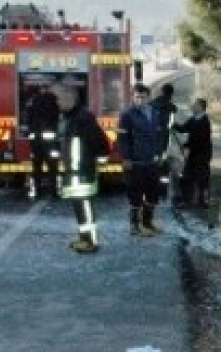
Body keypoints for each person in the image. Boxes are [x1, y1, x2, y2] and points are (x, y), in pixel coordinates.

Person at [51, 83, 110, 253]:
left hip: (82, 172)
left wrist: (98, 159)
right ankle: (84, 237)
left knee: (84, 206)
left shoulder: (83, 118)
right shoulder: (69, 118)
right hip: (75, 171)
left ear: (71, 98)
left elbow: (100, 141)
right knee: (79, 206)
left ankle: (91, 241)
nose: (58, 102)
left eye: (60, 99)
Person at [117, 83, 164, 235]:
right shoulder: (127, 115)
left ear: (148, 97)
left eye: (143, 97)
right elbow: (122, 139)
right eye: (137, 97)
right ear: (133, 97)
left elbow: (159, 136)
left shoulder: (155, 114)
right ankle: (134, 226)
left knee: (153, 193)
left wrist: (160, 153)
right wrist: (126, 158)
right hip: (135, 162)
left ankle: (148, 223)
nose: (140, 101)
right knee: (135, 194)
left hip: (152, 161)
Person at [172, 98, 213, 208]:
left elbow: (199, 139)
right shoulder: (193, 119)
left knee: (202, 179)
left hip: (202, 155)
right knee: (187, 178)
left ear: (200, 107)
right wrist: (173, 124)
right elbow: (183, 128)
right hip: (194, 155)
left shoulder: (205, 122)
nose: (192, 106)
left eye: (195, 105)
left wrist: (186, 145)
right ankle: (187, 201)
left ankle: (203, 202)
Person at [25, 82, 61, 199]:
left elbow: (28, 118)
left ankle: (37, 192)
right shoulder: (53, 101)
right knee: (52, 168)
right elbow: (57, 118)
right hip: (50, 142)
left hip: (36, 141)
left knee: (37, 168)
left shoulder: (33, 102)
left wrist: (30, 131)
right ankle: (54, 193)